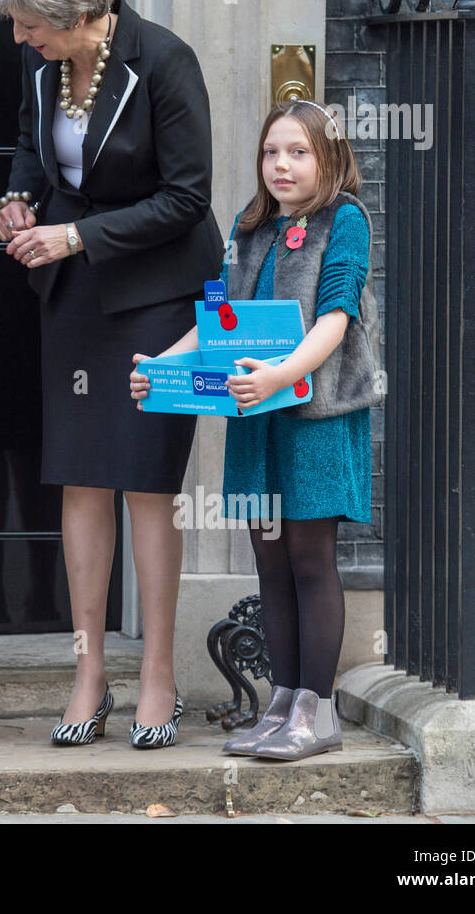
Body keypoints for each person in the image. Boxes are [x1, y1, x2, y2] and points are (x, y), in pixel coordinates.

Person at [0, 0, 223, 748]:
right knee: (81, 480)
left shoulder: (164, 61)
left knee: (147, 484)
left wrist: (78, 236)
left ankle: (158, 672)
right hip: (75, 297)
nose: (19, 37)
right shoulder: (43, 64)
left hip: (157, 295)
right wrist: (16, 204)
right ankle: (89, 670)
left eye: (29, 22)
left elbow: (188, 197)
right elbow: (30, 150)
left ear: (80, 11)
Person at [130, 98, 381, 760]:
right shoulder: (249, 225)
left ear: (328, 159)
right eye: (272, 151)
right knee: (268, 560)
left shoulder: (344, 219)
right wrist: (163, 366)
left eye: (298, 151)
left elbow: (335, 319)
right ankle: (282, 699)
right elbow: (218, 321)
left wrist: (278, 376)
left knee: (307, 557)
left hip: (315, 420)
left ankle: (316, 709)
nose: (281, 164)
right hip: (256, 421)